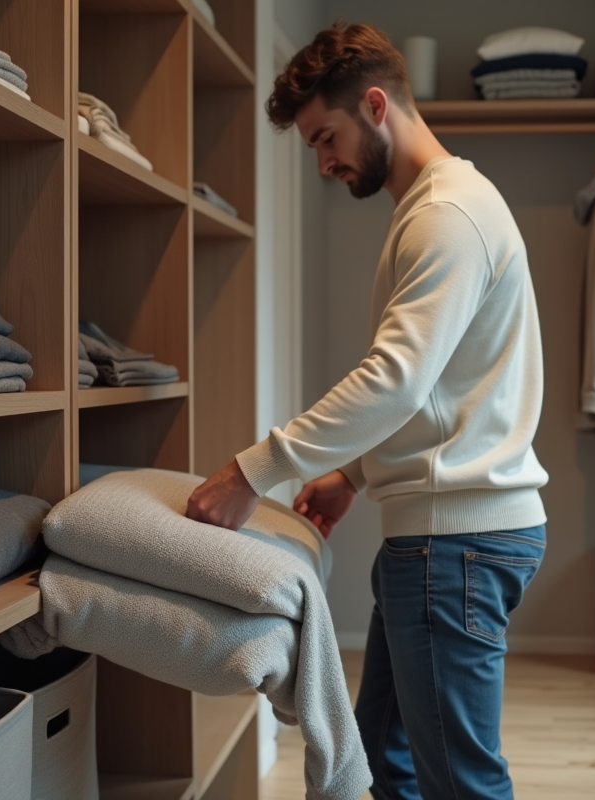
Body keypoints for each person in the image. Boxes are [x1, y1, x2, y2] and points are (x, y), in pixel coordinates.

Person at [186, 21, 548, 800]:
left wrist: (255, 471)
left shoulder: (445, 215)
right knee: (391, 764)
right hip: (444, 542)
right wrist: (351, 472)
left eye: (327, 137)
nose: (323, 163)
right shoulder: (439, 207)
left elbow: (396, 378)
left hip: (454, 549)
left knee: (461, 783)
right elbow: (437, 383)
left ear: (376, 104)